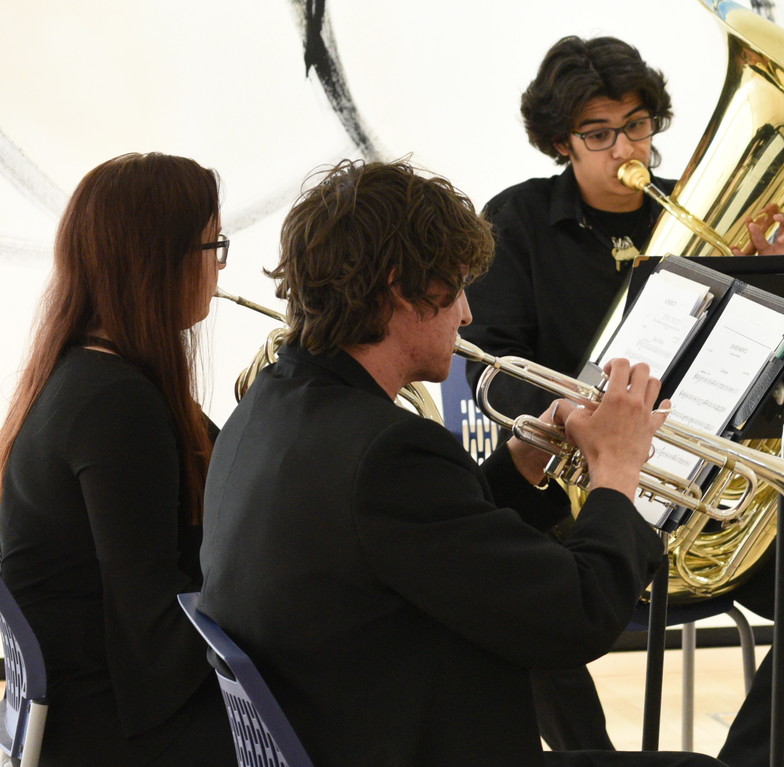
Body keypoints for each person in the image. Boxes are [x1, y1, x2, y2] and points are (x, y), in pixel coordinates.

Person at [196, 159, 722, 767]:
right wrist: (618, 471)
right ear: (400, 286)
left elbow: (433, 544)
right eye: (457, 286)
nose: (468, 314)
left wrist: (525, 460)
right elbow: (578, 618)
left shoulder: (271, 402)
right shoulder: (387, 453)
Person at [465, 36, 784, 766]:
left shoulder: (708, 209)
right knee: (516, 601)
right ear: (562, 142)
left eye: (637, 125)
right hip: (571, 491)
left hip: (688, 492)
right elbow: (493, 366)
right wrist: (577, 418)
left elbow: (762, 372)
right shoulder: (518, 222)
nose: (625, 147)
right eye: (598, 133)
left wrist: (781, 285)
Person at [0, 153, 238, 766]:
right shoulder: (115, 404)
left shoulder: (80, 373)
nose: (217, 268)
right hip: (107, 726)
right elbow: (153, 631)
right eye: (213, 246)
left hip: (85, 707)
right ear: (161, 263)